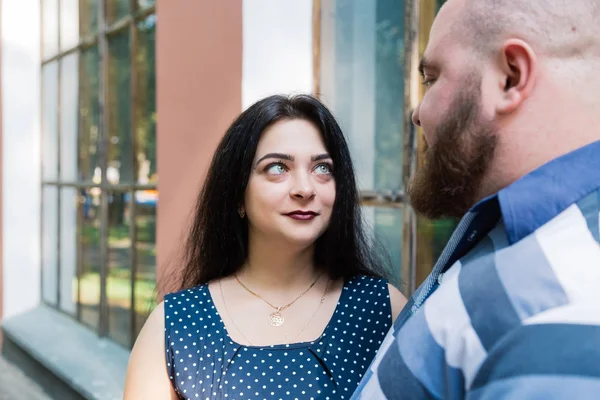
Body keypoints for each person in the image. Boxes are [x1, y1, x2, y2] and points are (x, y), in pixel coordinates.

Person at [352, 0, 600, 398]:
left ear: (510, 77)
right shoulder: (517, 236)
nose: (418, 113)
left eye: (431, 78)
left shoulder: (566, 301)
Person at [124, 94, 407, 400]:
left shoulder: (381, 310)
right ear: (237, 194)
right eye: (277, 168)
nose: (304, 189)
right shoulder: (177, 325)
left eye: (322, 168)